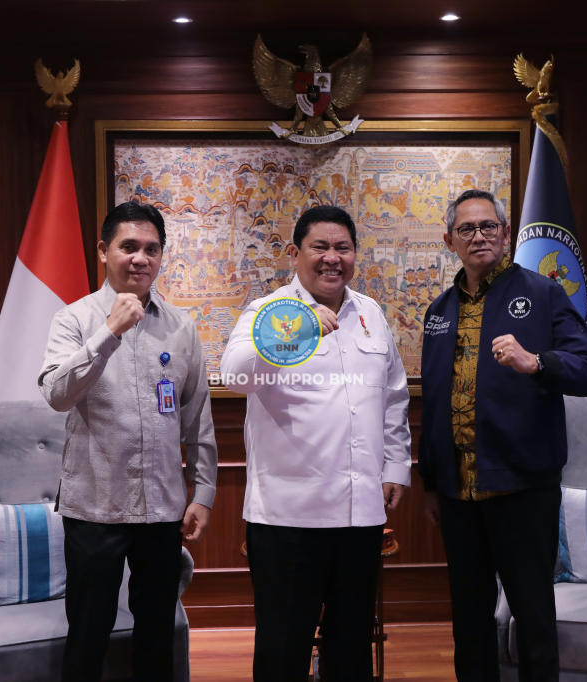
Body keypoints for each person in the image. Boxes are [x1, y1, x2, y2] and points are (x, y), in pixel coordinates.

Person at [419, 189, 587, 682]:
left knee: (533, 617)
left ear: (506, 234)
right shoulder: (438, 311)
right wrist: (431, 483)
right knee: (470, 620)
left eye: (488, 226)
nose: (478, 236)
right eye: (466, 229)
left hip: (523, 489)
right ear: (449, 241)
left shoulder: (543, 294)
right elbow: (434, 402)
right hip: (458, 494)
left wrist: (536, 362)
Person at [221, 205, 411, 682]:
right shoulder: (268, 311)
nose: (332, 258)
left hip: (360, 514)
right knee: (283, 650)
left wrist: (396, 467)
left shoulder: (369, 314)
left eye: (342, 248)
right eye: (320, 247)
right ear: (295, 254)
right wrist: (298, 330)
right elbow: (235, 376)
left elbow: (392, 396)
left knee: (350, 650)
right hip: (289, 517)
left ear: (355, 254)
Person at [39, 201, 217, 682]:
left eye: (151, 249)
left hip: (162, 508)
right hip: (94, 506)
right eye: (129, 247)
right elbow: (56, 395)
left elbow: (196, 417)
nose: (141, 258)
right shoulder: (74, 319)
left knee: (157, 636)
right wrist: (109, 332)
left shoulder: (181, 326)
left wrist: (203, 493)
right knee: (88, 635)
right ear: (104, 251)